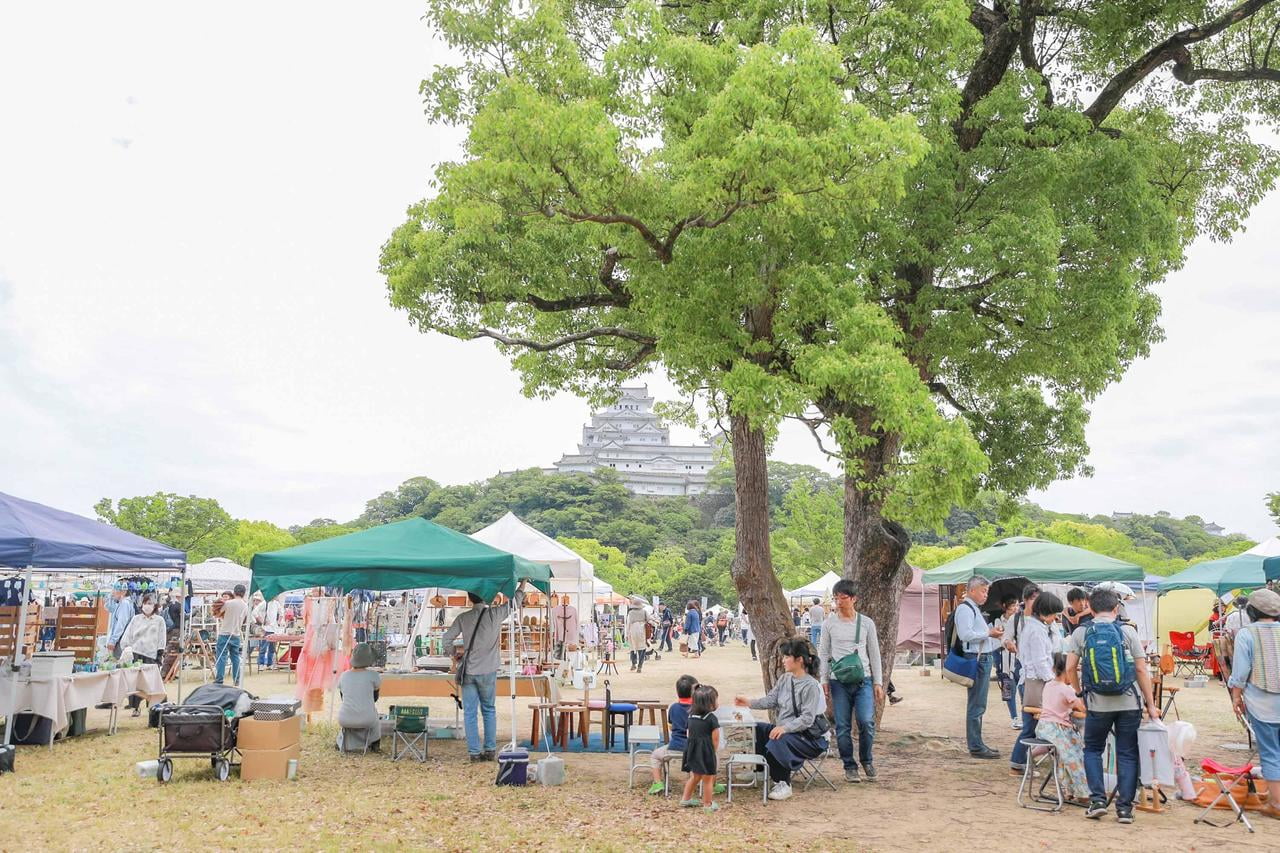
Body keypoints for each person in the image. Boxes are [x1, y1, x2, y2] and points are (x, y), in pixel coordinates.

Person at [1065, 587, 1160, 824]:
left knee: (1093, 749)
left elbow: (1069, 668)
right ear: (1116, 609)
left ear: (1091, 608)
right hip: (1129, 702)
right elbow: (1140, 669)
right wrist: (1150, 704)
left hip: (1097, 703)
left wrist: (1079, 693)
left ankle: (1097, 800)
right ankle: (1125, 809)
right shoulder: (1128, 631)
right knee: (1127, 753)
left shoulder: (1081, 632)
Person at [734, 637, 827, 801]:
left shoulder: (811, 686)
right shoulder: (785, 679)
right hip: (786, 730)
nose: (783, 660)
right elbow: (771, 700)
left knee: (779, 737)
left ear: (799, 660)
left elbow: (807, 719)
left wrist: (785, 728)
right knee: (760, 728)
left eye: (786, 657)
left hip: (808, 737)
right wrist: (748, 702)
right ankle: (762, 771)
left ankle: (783, 782)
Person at [443, 587, 522, 761]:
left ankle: (473, 752)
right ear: (486, 597)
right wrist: (522, 585)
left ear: (470, 599)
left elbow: (446, 638)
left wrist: (454, 654)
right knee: (489, 709)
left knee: (470, 712)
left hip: (469, 670)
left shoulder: (463, 617)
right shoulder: (495, 615)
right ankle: (490, 749)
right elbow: (514, 603)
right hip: (488, 669)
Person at [819, 579, 883, 782]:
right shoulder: (829, 624)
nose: (839, 602)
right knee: (843, 726)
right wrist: (824, 678)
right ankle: (849, 765)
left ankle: (867, 760)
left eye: (843, 598)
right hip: (839, 680)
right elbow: (824, 652)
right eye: (836, 598)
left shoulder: (866, 623)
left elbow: (874, 654)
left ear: (854, 599)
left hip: (863, 678)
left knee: (866, 721)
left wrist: (878, 682)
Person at [1227, 588, 1280, 820]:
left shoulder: (1246, 634)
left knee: (1270, 752)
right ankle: (1272, 794)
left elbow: (1240, 671)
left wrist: (1236, 696)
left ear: (1251, 610)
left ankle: (1277, 804)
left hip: (1262, 703)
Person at [1010, 591, 1063, 773]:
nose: (1055, 618)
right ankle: (1018, 761)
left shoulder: (1038, 627)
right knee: (1031, 727)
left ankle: (1021, 760)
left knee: (1032, 726)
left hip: (1034, 679)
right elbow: (1040, 661)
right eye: (1054, 614)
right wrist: (1052, 681)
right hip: (1034, 681)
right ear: (1046, 611)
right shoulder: (1035, 630)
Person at [955, 576, 1004, 758]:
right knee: (976, 703)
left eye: (987, 591)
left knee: (979, 703)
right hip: (976, 658)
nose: (985, 595)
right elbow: (965, 634)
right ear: (972, 590)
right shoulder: (965, 609)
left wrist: (992, 636)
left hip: (983, 656)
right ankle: (975, 745)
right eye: (983, 591)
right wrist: (988, 632)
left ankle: (978, 742)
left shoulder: (974, 609)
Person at [1036, 652, 1090, 803]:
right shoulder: (1067, 689)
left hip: (1043, 727)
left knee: (1063, 757)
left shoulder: (1048, 685)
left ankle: (1069, 790)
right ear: (1068, 671)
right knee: (1075, 756)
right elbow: (1081, 708)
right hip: (1057, 729)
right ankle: (1082, 792)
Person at [648, 674, 698, 795]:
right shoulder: (698, 708)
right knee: (705, 759)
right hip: (694, 749)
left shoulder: (674, 707)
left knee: (655, 756)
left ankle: (658, 783)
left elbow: (670, 726)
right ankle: (708, 783)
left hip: (674, 747)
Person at [119, 594, 166, 716]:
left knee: (151, 682)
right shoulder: (136, 618)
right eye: (145, 603)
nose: (147, 606)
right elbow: (128, 633)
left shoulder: (159, 620)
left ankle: (154, 706)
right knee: (135, 681)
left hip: (151, 654)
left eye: (150, 603)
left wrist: (160, 654)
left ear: (155, 605)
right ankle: (135, 707)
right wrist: (126, 648)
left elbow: (162, 638)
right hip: (136, 652)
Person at [680, 685, 722, 812]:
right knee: (708, 780)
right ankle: (708, 804)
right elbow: (715, 739)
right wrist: (712, 752)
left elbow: (689, 733)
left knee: (695, 776)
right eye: (716, 700)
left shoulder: (691, 716)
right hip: (706, 751)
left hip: (692, 751)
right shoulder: (711, 719)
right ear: (709, 703)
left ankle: (685, 799)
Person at [336, 642, 382, 752]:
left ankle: (343, 743)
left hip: (344, 719)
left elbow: (343, 698)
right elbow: (375, 698)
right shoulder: (374, 675)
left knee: (353, 716)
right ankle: (374, 744)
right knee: (375, 717)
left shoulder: (344, 676)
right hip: (367, 719)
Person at [992, 595, 1020, 729]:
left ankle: (1022, 716)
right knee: (1008, 688)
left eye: (1017, 605)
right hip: (1003, 659)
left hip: (1018, 658)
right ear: (1005, 606)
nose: (1015, 608)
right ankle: (1014, 717)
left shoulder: (1020, 620)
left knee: (1021, 687)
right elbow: (1000, 638)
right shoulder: (999, 621)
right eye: (1013, 605)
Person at [213, 584, 248, 686]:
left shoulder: (228, 603)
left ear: (234, 592)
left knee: (221, 657)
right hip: (236, 634)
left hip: (224, 633)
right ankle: (237, 679)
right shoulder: (245, 606)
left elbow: (218, 613)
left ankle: (219, 680)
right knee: (235, 658)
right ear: (244, 593)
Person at [107, 585, 135, 658]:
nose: (113, 593)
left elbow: (121, 624)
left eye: (115, 590)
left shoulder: (124, 604)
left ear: (124, 592)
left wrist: (113, 641)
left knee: (118, 664)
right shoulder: (123, 603)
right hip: (120, 640)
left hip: (121, 641)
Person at [259, 594, 284, 668]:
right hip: (266, 629)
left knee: (272, 648)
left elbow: (281, 612)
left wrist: (278, 621)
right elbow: (255, 612)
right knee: (263, 647)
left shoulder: (276, 603)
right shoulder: (264, 603)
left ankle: (269, 664)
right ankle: (261, 663)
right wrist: (263, 621)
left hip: (274, 629)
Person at [626, 604, 650, 672]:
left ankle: (633, 664)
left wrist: (627, 634)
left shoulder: (630, 613)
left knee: (633, 648)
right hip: (642, 632)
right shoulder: (644, 612)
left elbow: (628, 624)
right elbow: (649, 620)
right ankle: (640, 666)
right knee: (642, 649)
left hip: (632, 632)